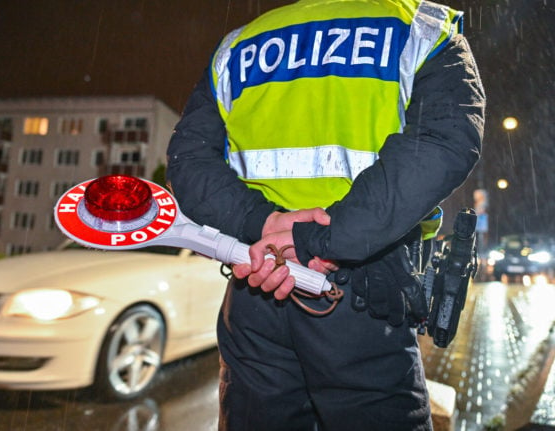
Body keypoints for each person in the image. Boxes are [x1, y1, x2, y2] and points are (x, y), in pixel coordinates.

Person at [166, 0, 485, 429]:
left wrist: (262, 224)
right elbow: (442, 143)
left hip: (257, 284)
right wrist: (324, 239)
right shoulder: (421, 26)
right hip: (360, 292)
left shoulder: (239, 46)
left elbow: (188, 160)